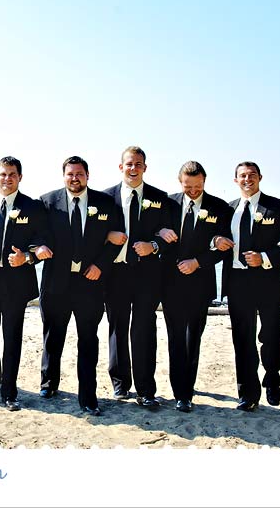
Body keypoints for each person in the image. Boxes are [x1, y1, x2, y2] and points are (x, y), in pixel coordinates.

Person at [38, 156, 117, 415]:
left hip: (90, 283)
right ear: (63, 176)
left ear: (87, 176)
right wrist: (36, 247)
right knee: (53, 336)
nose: (75, 178)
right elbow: (36, 236)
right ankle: (49, 383)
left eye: (79, 174)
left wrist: (101, 266)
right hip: (55, 282)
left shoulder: (105, 203)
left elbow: (116, 238)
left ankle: (88, 396)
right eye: (70, 174)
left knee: (88, 341)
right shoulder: (47, 202)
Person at [219, 161, 280, 411]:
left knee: (272, 335)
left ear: (260, 177)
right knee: (242, 338)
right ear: (235, 180)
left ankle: (272, 375)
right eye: (242, 176)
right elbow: (213, 239)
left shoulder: (279, 207)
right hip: (237, 281)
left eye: (251, 175)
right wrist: (214, 240)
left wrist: (265, 257)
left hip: (268, 281)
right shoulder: (227, 209)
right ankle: (248, 394)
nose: (247, 179)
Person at [0, 157, 49, 411]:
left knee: (12, 337)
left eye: (12, 174)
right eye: (3, 174)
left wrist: (26, 257)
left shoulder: (32, 206)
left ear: (20, 177)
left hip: (13, 279)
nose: (7, 178)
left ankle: (9, 392)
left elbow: (42, 241)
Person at [156, 161, 233, 412]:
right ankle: (181, 392)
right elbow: (152, 232)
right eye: (188, 186)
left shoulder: (219, 207)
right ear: (180, 182)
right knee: (176, 337)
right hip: (169, 282)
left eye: (197, 186)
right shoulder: (168, 203)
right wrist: (161, 230)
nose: (192, 191)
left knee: (193, 338)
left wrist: (199, 262)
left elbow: (224, 246)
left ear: (204, 181)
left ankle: (186, 389)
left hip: (200, 283)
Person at [103, 146, 173, 409]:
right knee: (117, 327)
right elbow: (94, 232)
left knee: (144, 329)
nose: (134, 169)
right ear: (121, 167)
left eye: (138, 164)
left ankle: (146, 389)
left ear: (145, 167)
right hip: (115, 272)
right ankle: (120, 384)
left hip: (146, 274)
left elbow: (170, 236)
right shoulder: (105, 197)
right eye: (129, 164)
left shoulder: (160, 198)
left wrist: (153, 246)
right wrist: (107, 236)